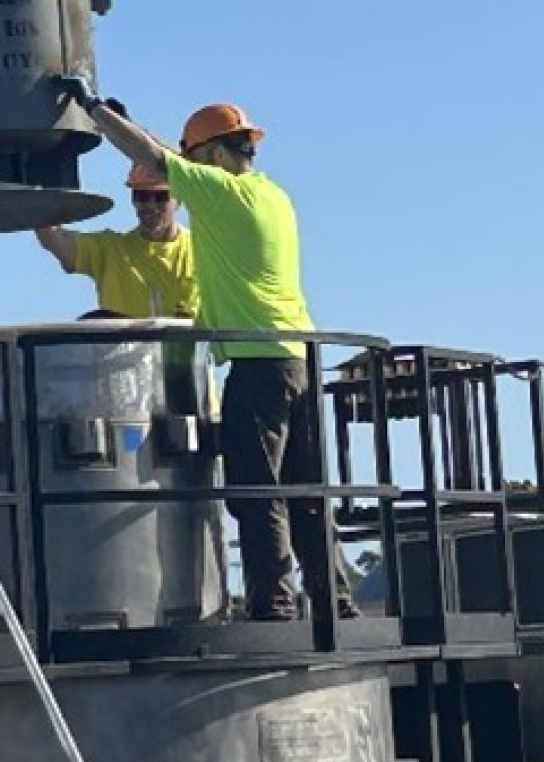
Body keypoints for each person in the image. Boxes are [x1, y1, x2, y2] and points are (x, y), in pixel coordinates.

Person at [56, 80, 354, 622]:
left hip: (259, 361)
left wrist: (93, 109)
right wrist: (131, 120)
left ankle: (274, 607)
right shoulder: (272, 195)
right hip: (301, 354)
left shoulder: (219, 194)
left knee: (255, 490)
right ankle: (336, 602)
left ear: (216, 154)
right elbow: (168, 157)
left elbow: (156, 160)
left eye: (196, 155)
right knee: (307, 491)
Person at [35, 164, 199, 319]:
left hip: (191, 348)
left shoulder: (203, 250)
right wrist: (34, 195)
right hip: (124, 349)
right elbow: (55, 239)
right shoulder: (110, 250)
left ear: (179, 200)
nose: (150, 205)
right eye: (142, 196)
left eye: (161, 197)